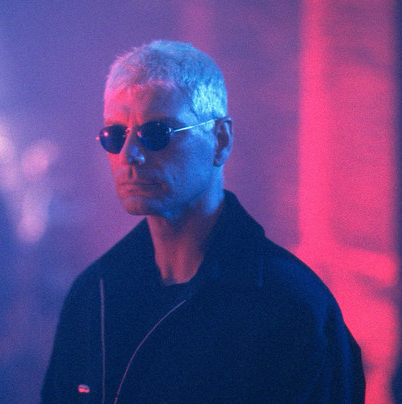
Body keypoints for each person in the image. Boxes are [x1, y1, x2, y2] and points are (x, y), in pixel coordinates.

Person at [42, 40, 365, 403]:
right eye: (115, 135)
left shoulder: (293, 306)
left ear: (220, 139)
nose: (130, 154)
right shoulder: (94, 293)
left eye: (157, 133)